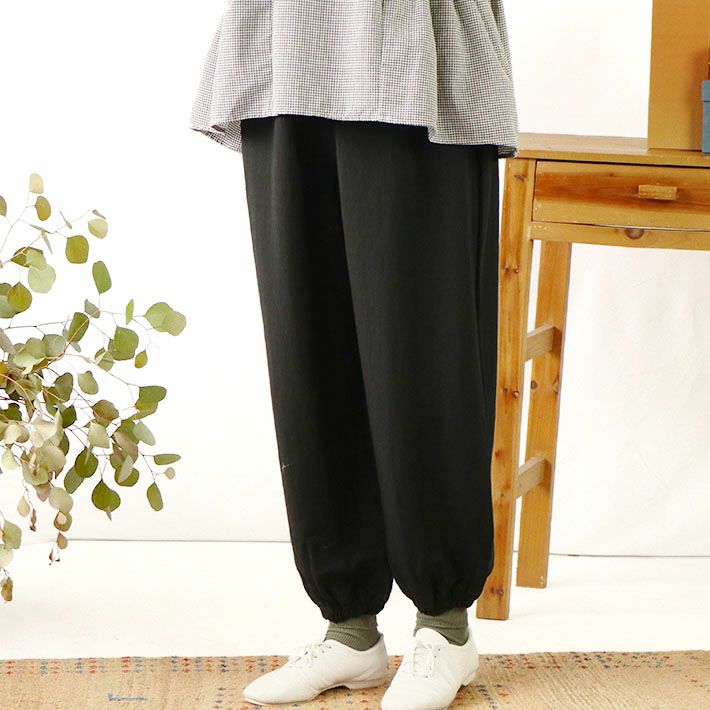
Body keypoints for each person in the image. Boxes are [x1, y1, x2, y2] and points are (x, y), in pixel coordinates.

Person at [190, 2, 518, 708]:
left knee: (421, 349)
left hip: (410, 53)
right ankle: (350, 630)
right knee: (308, 347)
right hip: (287, 45)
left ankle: (445, 627)